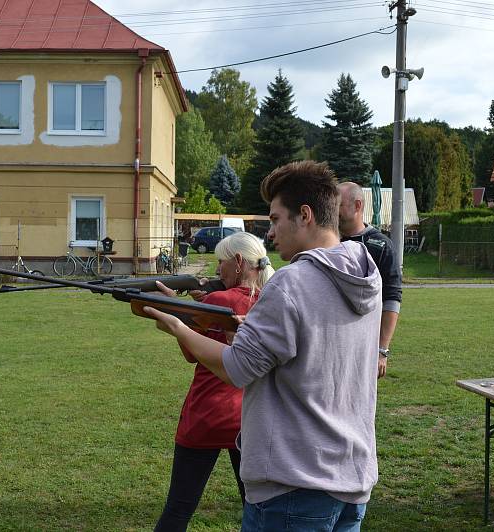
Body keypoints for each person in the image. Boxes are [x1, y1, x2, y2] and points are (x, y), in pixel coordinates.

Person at [145, 160, 382, 531]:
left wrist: (178, 326)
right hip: (352, 478)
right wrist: (249, 335)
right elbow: (313, 349)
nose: (270, 234)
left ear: (304, 216)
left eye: (274, 219)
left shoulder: (291, 282)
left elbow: (235, 369)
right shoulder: (366, 271)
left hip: (294, 486)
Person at [153, 231, 275, 532]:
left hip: (208, 414)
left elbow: (191, 354)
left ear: (237, 262)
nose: (217, 269)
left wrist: (180, 312)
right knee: (255, 508)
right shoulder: (270, 299)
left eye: (221, 262)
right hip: (250, 418)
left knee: (178, 509)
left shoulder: (219, 299)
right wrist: (199, 306)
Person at [338, 182, 402, 379]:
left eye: (338, 205)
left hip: (365, 346)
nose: (333, 210)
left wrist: (382, 350)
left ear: (357, 206)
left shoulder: (381, 245)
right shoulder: (328, 242)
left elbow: (392, 297)